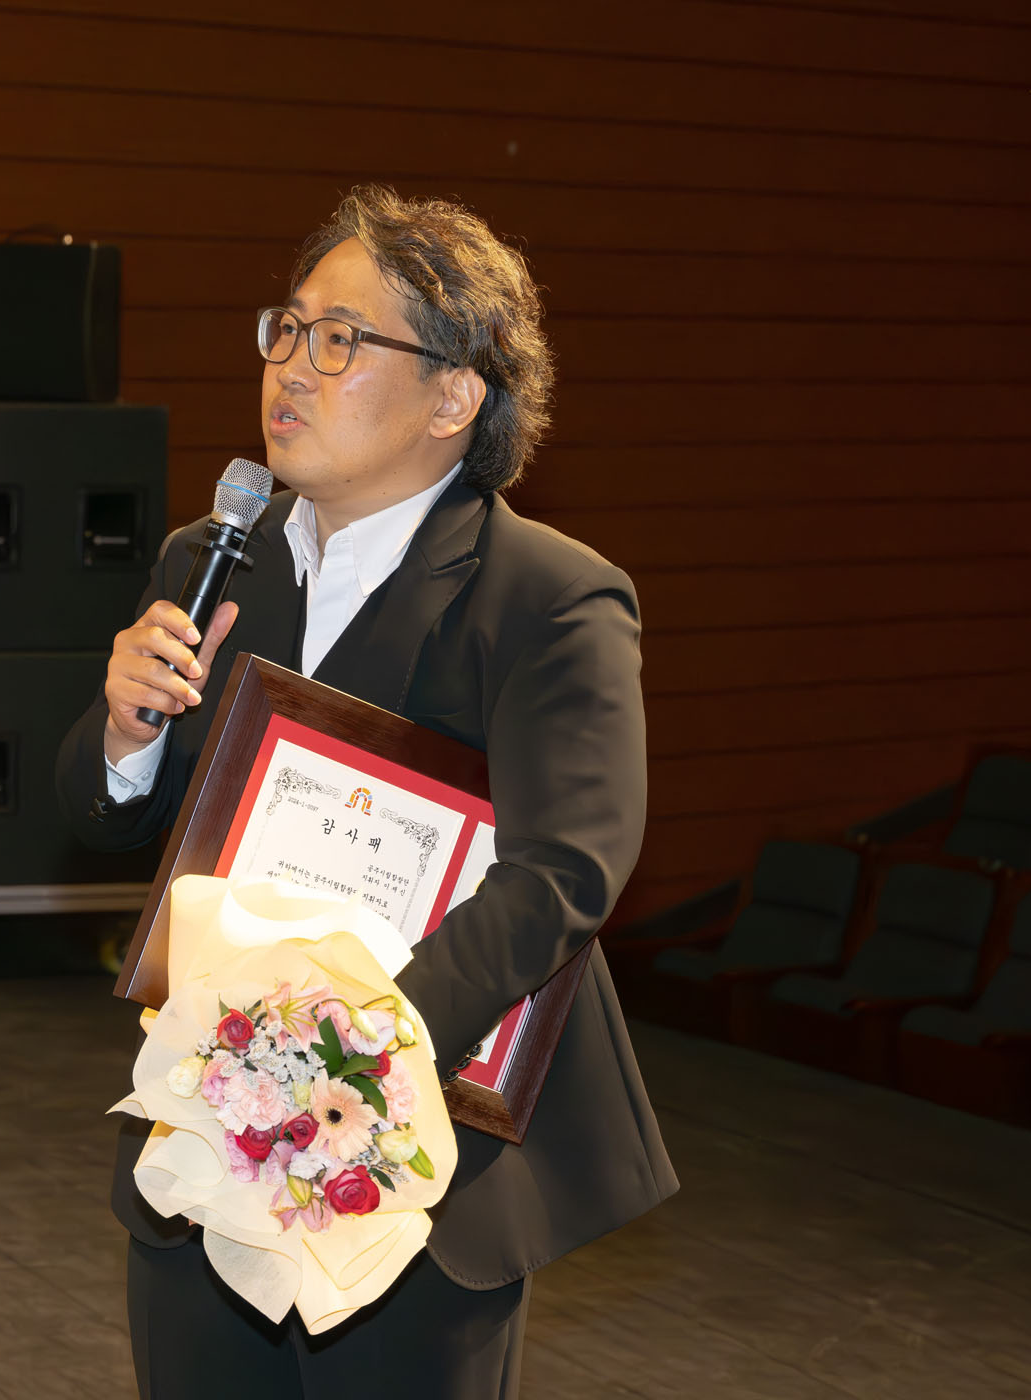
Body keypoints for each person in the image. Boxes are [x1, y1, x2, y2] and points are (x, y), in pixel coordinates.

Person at [56, 185, 678, 1398]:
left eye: (340, 339)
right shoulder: (209, 558)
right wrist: (125, 731)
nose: (292, 365)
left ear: (454, 398)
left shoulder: (549, 597)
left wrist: (344, 1049)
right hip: (210, 1136)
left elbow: (567, 869)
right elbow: (105, 811)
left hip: (421, 1165)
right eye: (287, 328)